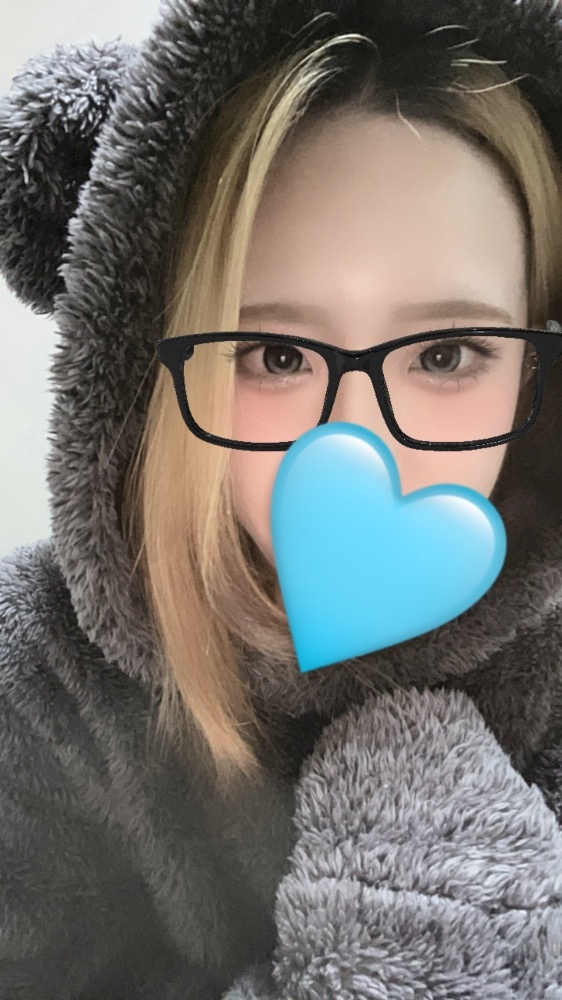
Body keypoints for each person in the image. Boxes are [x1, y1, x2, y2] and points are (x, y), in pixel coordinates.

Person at [1, 0, 562, 995]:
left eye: (445, 353)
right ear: (148, 366)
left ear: (533, 373)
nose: (357, 440)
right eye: (275, 353)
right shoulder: (39, 684)